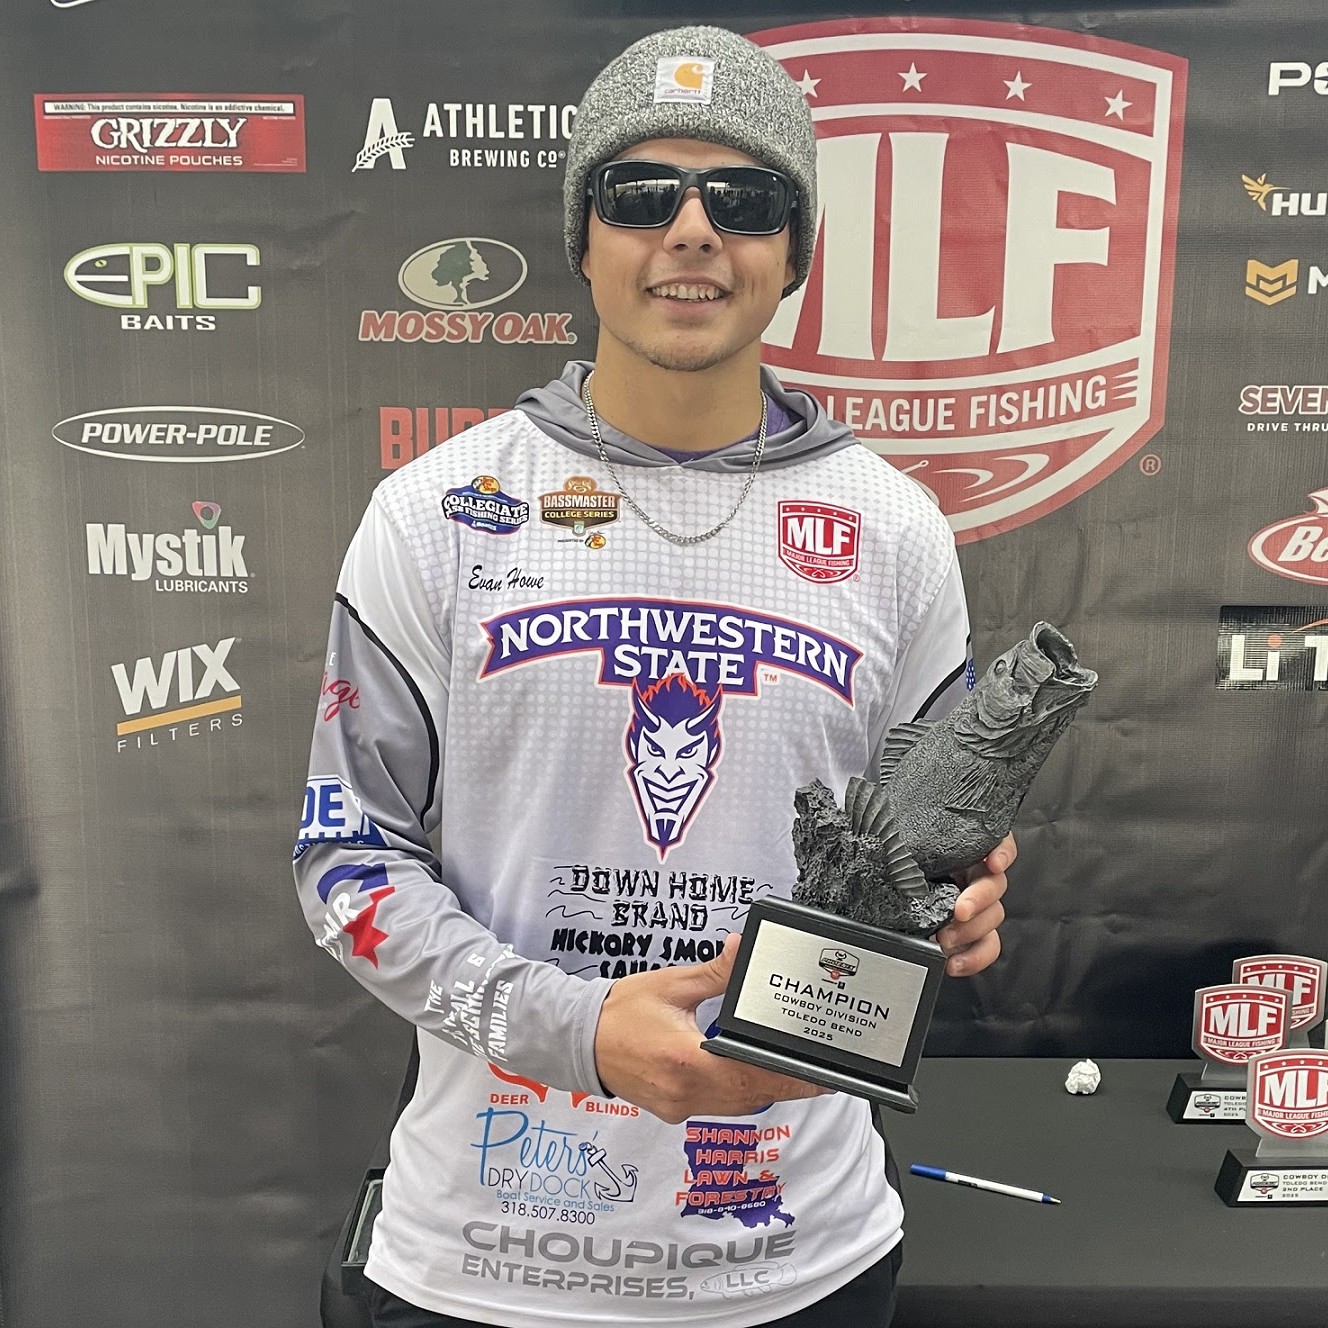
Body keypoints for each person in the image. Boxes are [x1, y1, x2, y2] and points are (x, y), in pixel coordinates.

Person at [295, 24, 1012, 1328]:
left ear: (795, 251)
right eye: (641, 194)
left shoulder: (895, 531)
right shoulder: (437, 512)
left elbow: (929, 846)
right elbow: (346, 865)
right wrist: (572, 1030)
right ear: (583, 237)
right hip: (487, 1257)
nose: (692, 231)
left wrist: (952, 906)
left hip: (796, 1254)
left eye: (744, 199)